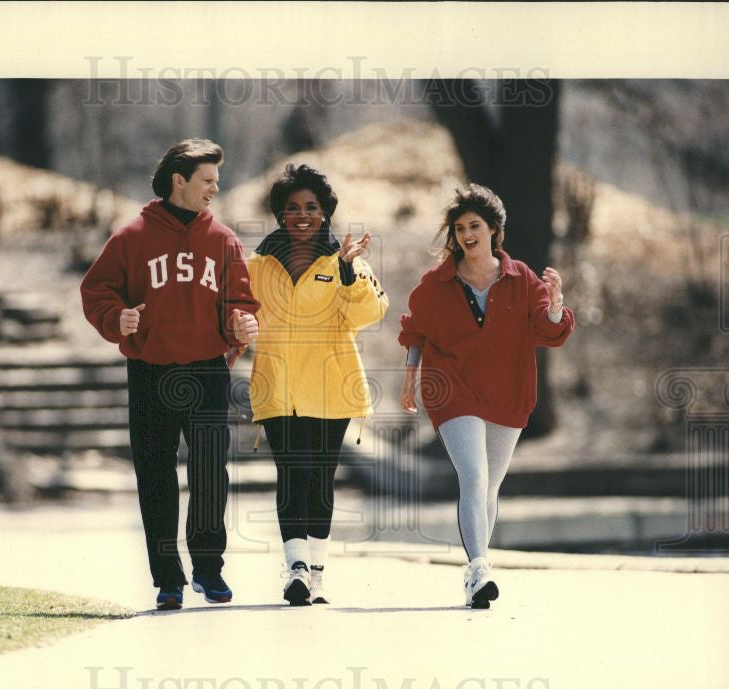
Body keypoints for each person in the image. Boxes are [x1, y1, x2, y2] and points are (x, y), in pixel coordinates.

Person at [80, 138, 259, 611]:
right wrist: (116, 318)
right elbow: (96, 291)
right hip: (150, 371)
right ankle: (168, 579)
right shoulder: (131, 237)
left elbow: (240, 300)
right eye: (207, 180)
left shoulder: (223, 240)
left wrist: (241, 323)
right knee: (155, 475)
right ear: (178, 180)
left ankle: (207, 567)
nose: (214, 189)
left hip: (205, 371)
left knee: (208, 473)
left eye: (216, 181)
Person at [398, 184, 574, 608]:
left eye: (474, 226)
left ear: (494, 230)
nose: (465, 235)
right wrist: (410, 377)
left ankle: (480, 566)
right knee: (474, 477)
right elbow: (415, 329)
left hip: (507, 392)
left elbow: (548, 333)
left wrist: (555, 304)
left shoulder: (521, 279)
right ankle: (478, 569)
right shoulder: (436, 283)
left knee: (490, 486)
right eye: (458, 228)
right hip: (453, 389)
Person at [246, 164, 389, 606]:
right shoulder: (256, 265)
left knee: (320, 476)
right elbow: (235, 310)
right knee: (290, 475)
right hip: (277, 386)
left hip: (331, 386)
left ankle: (317, 573)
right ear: (280, 214)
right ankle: (296, 570)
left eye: (311, 207)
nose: (302, 215)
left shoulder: (348, 263)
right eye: (292, 208)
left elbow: (370, 314)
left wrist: (346, 272)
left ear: (326, 212)